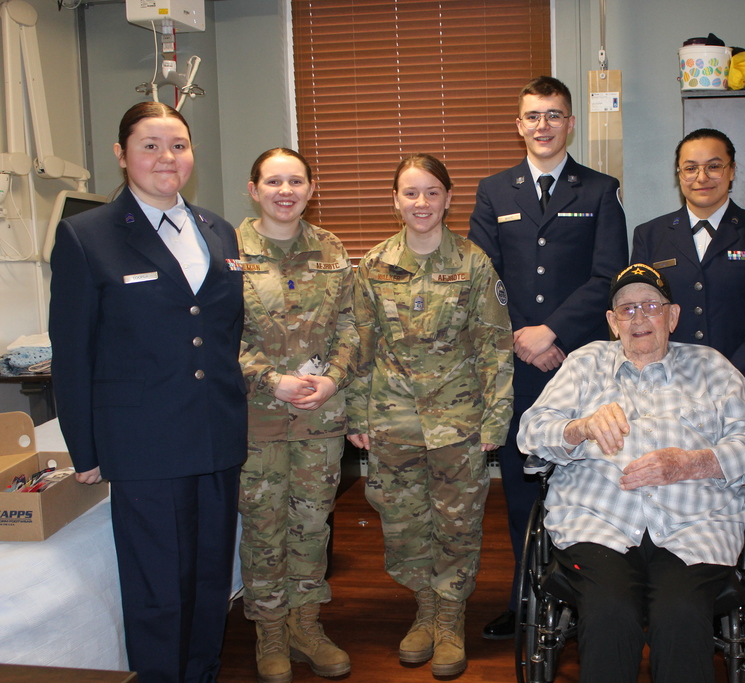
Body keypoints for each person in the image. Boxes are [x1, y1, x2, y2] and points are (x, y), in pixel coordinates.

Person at [49, 102, 247, 683]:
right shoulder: (87, 236)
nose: (167, 158)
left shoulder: (218, 229)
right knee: (159, 587)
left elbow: (223, 333)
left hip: (215, 434)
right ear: (121, 154)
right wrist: (84, 450)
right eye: (150, 145)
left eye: (178, 145)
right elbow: (74, 349)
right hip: (143, 442)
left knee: (211, 579)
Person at [518, 263, 745, 683]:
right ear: (611, 322)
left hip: (694, 525)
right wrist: (579, 428)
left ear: (672, 316)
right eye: (626, 309)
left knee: (679, 614)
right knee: (608, 613)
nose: (639, 318)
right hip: (598, 523)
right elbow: (532, 431)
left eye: (651, 306)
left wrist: (693, 462)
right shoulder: (585, 364)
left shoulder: (712, 368)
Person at [467, 75, 629, 639]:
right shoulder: (494, 191)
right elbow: (481, 278)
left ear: (570, 124)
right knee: (519, 483)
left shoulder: (600, 190)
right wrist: (523, 337)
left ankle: (585, 598)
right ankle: (525, 596)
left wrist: (553, 330)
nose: (543, 125)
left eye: (554, 115)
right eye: (533, 115)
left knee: (584, 479)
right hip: (516, 364)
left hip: (579, 362)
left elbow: (609, 275)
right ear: (519, 124)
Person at [347, 153, 514, 677]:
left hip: (457, 421)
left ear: (448, 198)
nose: (422, 203)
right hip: (392, 418)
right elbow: (358, 344)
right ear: (395, 199)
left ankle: (449, 617)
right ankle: (423, 608)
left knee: (457, 524)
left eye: (432, 192)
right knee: (402, 522)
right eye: (411, 193)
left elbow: (495, 348)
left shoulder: (473, 263)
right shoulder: (373, 265)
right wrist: (357, 417)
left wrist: (495, 421)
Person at [236, 148, 357, 682]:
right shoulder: (228, 251)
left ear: (311, 188)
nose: (286, 191)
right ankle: (270, 632)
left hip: (318, 417)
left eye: (296, 181)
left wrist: (333, 377)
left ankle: (306, 626)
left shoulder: (332, 250)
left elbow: (352, 326)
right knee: (264, 527)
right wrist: (269, 378)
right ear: (254, 188)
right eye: (274, 181)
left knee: (311, 525)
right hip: (255, 418)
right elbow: (214, 335)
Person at [630, 128, 745, 420]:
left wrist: (727, 376)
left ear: (731, 171)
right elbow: (639, 313)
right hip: (668, 389)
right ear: (679, 175)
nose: (701, 178)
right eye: (690, 168)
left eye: (714, 166)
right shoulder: (649, 236)